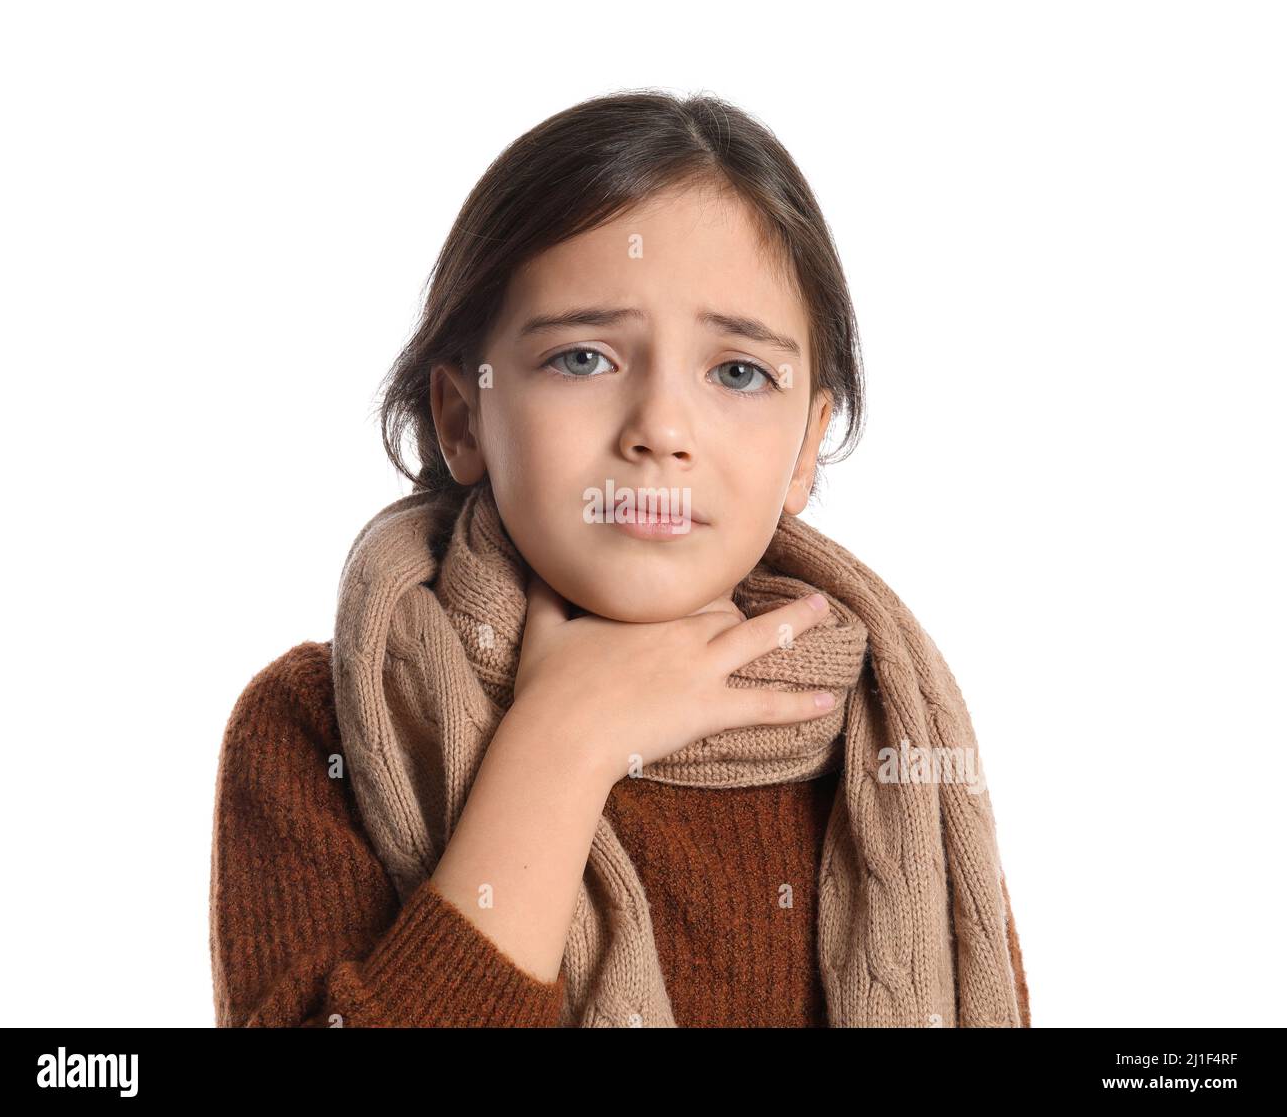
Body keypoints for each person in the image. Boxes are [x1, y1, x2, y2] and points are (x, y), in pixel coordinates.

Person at [209, 88, 1031, 1028]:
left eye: (737, 373)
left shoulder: (884, 738)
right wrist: (560, 749)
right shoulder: (323, 725)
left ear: (806, 447)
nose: (661, 429)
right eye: (584, 359)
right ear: (461, 416)